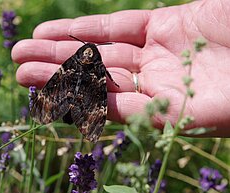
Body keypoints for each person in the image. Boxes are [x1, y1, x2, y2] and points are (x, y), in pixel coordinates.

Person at [11, 0, 230, 137]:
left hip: (72, 90)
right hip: (89, 96)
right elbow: (103, 74)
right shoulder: (98, 67)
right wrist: (110, 82)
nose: (88, 53)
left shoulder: (68, 64)